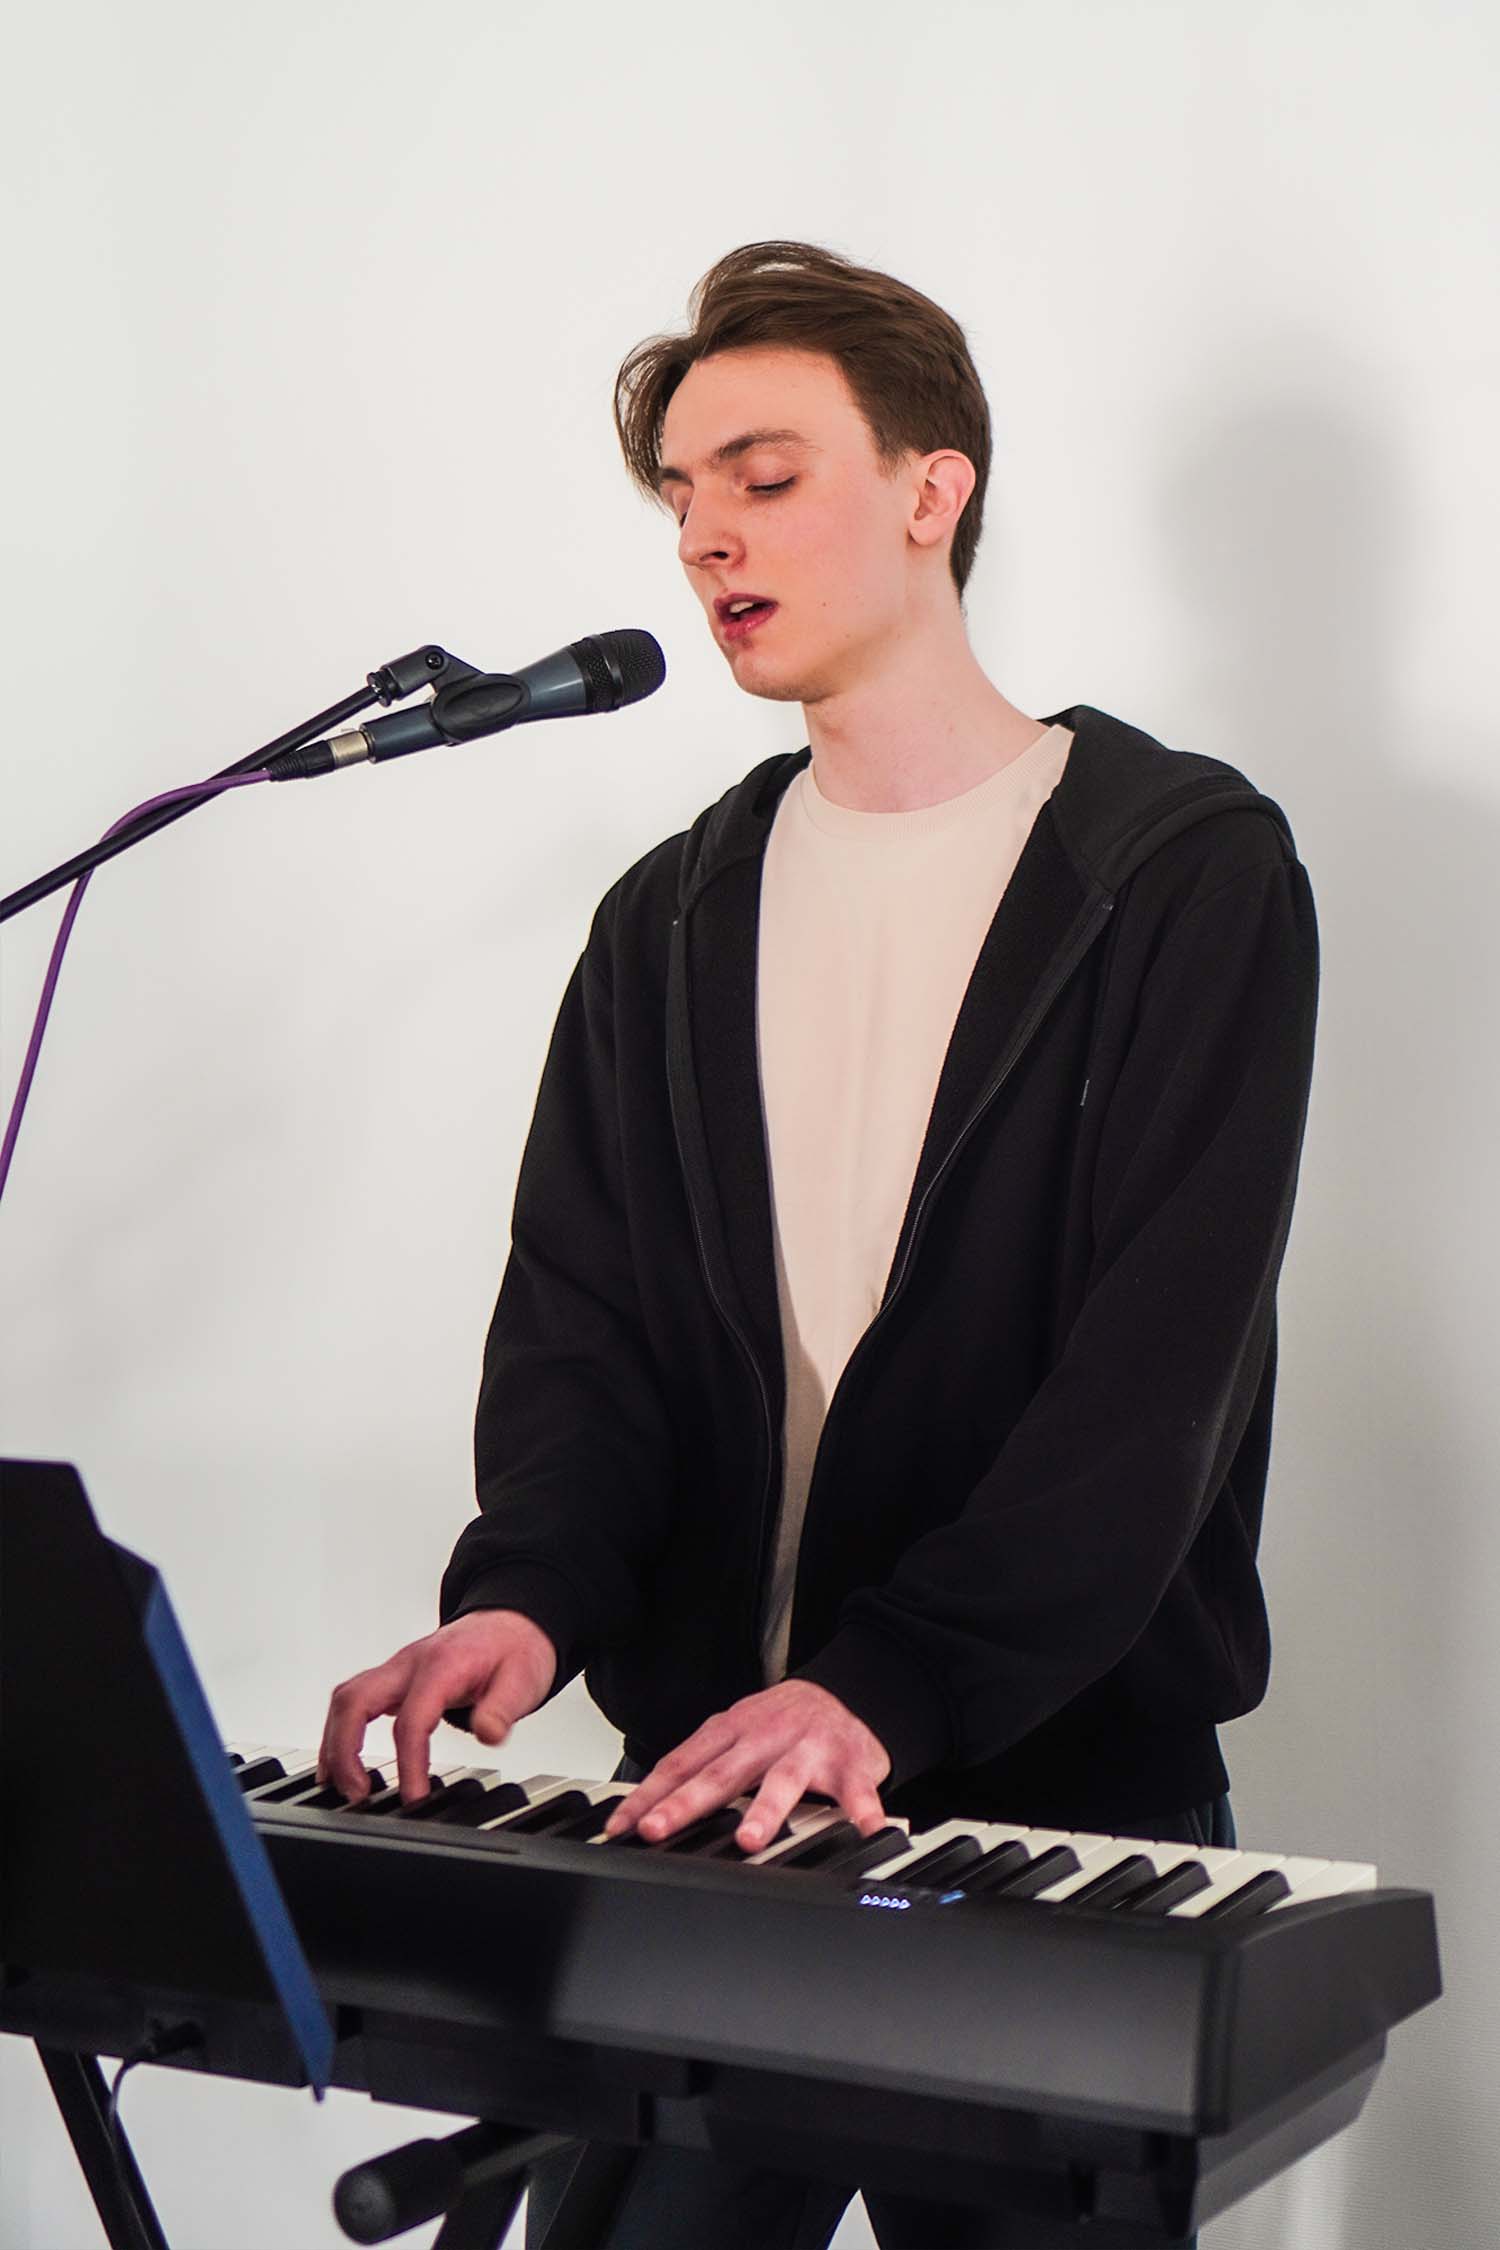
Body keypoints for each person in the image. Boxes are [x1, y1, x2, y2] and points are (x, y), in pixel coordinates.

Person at [319, 240, 1320, 2249]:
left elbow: (1153, 1392)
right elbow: (583, 1342)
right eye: (682, 495)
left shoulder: (1182, 877)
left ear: (933, 488)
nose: (707, 535)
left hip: (1052, 1816)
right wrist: (529, 1598)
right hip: (718, 1805)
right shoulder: (666, 919)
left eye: (764, 478)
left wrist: (889, 1683)